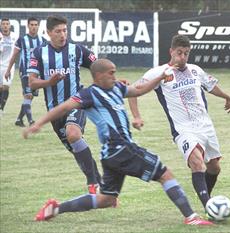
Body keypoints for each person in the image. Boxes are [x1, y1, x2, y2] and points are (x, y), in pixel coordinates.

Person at [23, 58, 213, 225]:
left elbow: (138, 90)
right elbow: (64, 107)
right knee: (165, 174)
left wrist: (159, 77)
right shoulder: (89, 94)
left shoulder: (116, 88)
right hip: (121, 148)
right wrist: (38, 123)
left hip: (110, 155)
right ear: (98, 76)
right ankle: (191, 217)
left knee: (106, 199)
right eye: (111, 73)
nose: (115, 76)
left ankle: (55, 208)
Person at [129, 34, 230, 211]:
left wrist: (227, 97)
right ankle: (209, 207)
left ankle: (205, 196)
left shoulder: (195, 70)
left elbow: (210, 86)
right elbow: (133, 90)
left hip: (205, 126)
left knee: (214, 168)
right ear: (171, 51)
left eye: (186, 53)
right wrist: (137, 116)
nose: (183, 57)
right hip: (183, 129)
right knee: (196, 162)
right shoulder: (160, 73)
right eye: (179, 53)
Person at [27, 15, 101, 194]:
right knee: (77, 149)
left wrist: (111, 81)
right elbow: (32, 83)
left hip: (76, 102)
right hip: (55, 112)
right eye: (58, 31)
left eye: (65, 30)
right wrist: (49, 82)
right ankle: (103, 187)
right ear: (48, 33)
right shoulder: (38, 53)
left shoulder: (77, 50)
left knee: (73, 133)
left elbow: (99, 66)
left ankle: (92, 185)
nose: (62, 35)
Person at [5, 17, 47, 127]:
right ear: (28, 26)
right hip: (25, 72)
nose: (34, 27)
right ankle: (31, 121)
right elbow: (14, 55)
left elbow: (46, 57)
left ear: (38, 26)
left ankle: (19, 119)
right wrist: (8, 69)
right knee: (28, 95)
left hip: (36, 73)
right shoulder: (22, 39)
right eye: (31, 25)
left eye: (35, 25)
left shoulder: (42, 40)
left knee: (30, 97)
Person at [0, 18, 17, 115]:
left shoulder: (14, 36)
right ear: (1, 26)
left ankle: (2, 108)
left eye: (7, 24)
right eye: (3, 24)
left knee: (6, 86)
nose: (5, 26)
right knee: (0, 88)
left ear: (10, 26)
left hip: (9, 66)